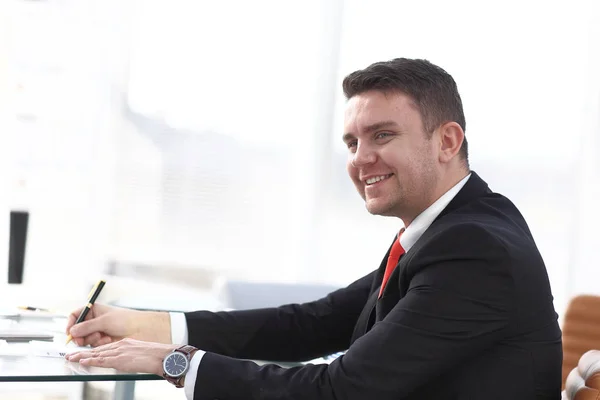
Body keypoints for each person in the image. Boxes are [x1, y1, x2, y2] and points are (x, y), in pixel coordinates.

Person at [65, 58, 562, 399]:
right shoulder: (451, 228)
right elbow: (312, 323)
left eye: (382, 135)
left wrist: (172, 361)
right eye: (351, 142)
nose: (361, 159)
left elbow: (340, 390)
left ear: (447, 141)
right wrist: (140, 324)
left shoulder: (475, 249)